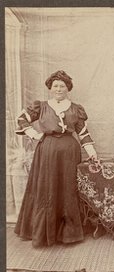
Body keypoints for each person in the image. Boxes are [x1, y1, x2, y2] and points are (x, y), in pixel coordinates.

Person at [14, 70, 97, 247]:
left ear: (68, 88)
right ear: (50, 88)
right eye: (55, 86)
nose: (59, 89)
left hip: (69, 152)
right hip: (47, 151)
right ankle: (43, 233)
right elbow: (22, 119)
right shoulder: (41, 106)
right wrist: (33, 134)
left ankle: (67, 235)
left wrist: (91, 152)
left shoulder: (76, 109)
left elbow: (83, 133)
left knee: (68, 188)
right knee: (46, 188)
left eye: (63, 86)